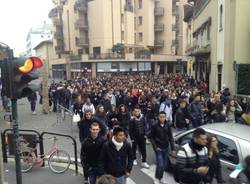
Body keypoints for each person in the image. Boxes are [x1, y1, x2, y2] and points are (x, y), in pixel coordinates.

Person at [149, 111, 176, 184]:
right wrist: (156, 147)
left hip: (166, 147)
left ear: (165, 117)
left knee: (164, 165)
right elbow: (151, 137)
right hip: (159, 148)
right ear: (158, 117)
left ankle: (161, 178)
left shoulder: (168, 125)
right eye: (160, 117)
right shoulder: (154, 125)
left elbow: (170, 137)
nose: (162, 118)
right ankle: (157, 178)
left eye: (163, 117)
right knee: (160, 164)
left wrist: (173, 148)